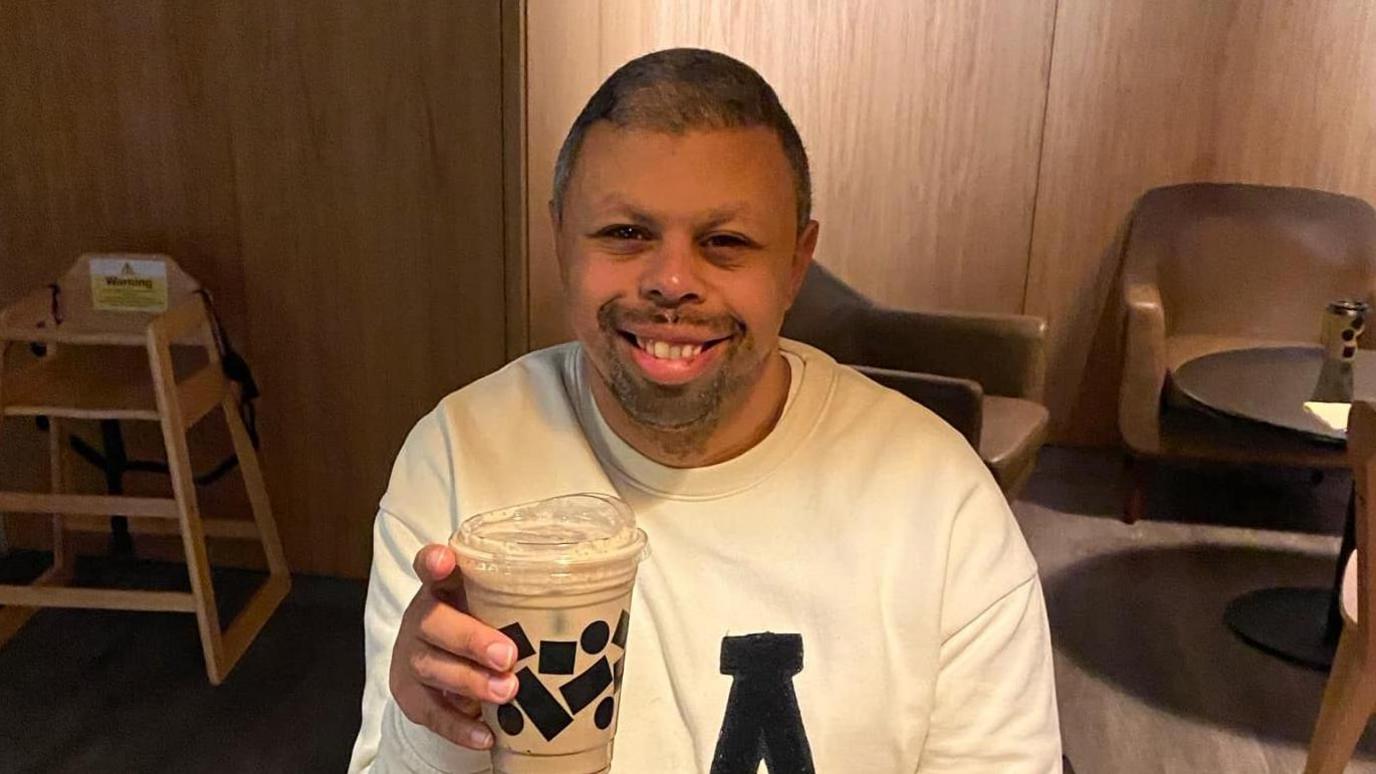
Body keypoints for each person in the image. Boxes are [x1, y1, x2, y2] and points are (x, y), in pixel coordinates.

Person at [349, 47, 1061, 773]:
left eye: (725, 242)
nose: (672, 281)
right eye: (626, 233)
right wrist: (429, 726)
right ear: (561, 239)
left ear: (794, 263)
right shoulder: (459, 458)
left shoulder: (940, 507)